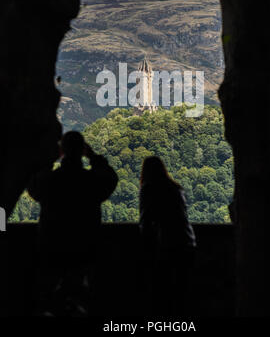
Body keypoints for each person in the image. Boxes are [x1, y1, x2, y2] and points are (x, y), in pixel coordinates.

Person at [28, 131, 118, 316]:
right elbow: (110, 178)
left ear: (62, 151)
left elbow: (33, 182)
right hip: (85, 249)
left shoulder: (50, 181)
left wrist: (49, 159)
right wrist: (93, 157)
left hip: (52, 248)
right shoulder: (91, 181)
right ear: (82, 150)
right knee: (84, 300)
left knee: (51, 301)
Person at [139, 156, 196, 316]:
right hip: (187, 242)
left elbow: (146, 221)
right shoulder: (176, 188)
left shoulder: (148, 188)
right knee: (181, 291)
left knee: (161, 292)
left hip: (165, 245)